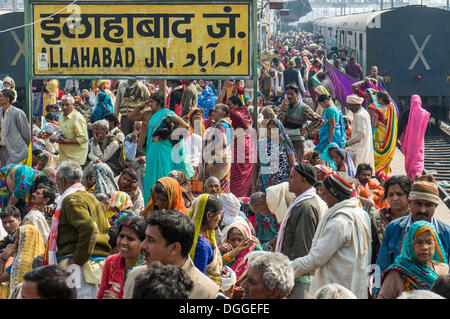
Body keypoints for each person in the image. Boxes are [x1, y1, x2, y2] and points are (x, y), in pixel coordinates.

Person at [291, 172, 372, 299]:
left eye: (324, 193)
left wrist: (287, 270)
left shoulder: (339, 222)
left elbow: (315, 259)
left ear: (335, 194)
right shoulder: (361, 214)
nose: (322, 197)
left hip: (334, 291)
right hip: (354, 286)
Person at [43, 161, 111, 299]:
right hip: (94, 265)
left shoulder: (71, 199)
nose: (57, 186)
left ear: (62, 181)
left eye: (57, 182)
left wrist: (77, 259)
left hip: (78, 267)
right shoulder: (93, 199)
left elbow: (90, 228)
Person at [123, 209, 220, 299]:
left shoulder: (207, 293)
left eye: (151, 240)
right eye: (145, 238)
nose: (142, 245)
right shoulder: (135, 276)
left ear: (174, 248)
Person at [376, 174, 450, 275]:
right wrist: (378, 290)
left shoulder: (446, 233)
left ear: (436, 206)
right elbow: (381, 267)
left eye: (428, 205)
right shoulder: (394, 228)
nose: (422, 210)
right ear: (410, 202)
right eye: (418, 203)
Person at [276, 163, 327, 299]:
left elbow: (302, 249)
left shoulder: (305, 207)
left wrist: (289, 274)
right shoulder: (301, 203)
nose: (288, 180)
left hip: (299, 278)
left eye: (292, 177)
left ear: (303, 180)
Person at [139, 93, 191, 204]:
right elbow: (131, 116)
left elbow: (184, 125)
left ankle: (165, 201)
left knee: (163, 173)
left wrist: (171, 136)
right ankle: (151, 203)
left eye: (152, 102)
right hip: (153, 148)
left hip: (163, 148)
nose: (150, 104)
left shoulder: (166, 114)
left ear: (159, 103)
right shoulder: (152, 114)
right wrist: (142, 105)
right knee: (150, 175)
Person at [377, 221, 449, 299]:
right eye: (419, 242)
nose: (424, 247)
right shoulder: (397, 273)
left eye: (429, 242)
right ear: (410, 245)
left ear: (436, 244)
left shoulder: (443, 269)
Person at [97, 215, 146, 299]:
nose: (123, 242)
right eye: (121, 236)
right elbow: (101, 296)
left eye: (130, 239)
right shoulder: (111, 262)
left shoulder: (146, 270)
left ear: (142, 243)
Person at [277, 84, 324, 162]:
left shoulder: (303, 108)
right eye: (287, 94)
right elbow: (278, 123)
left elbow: (320, 120)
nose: (289, 96)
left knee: (296, 164)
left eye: (291, 94)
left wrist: (306, 129)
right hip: (284, 140)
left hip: (297, 141)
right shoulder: (285, 106)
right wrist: (284, 110)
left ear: (297, 95)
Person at [0, 224, 45, 299]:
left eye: (19, 238)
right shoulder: (44, 258)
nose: (16, 242)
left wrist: (4, 256)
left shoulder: (20, 261)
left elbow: (1, 277)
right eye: (16, 238)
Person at [188, 194, 223, 286]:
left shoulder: (191, 237)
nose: (220, 218)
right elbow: (199, 283)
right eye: (219, 213)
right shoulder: (202, 246)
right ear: (209, 215)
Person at [253, 119, 296, 193]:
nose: (271, 132)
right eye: (269, 129)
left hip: (281, 183)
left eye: (274, 129)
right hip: (264, 183)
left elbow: (292, 164)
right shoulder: (261, 143)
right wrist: (253, 185)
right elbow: (255, 165)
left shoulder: (285, 144)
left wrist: (292, 182)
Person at [200, 104, 233, 194]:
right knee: (222, 186)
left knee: (213, 186)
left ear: (223, 113)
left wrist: (210, 152)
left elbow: (223, 142)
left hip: (217, 161)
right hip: (225, 160)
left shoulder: (220, 125)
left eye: (215, 111)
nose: (212, 113)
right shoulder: (227, 124)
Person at [49, 95, 89, 166]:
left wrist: (66, 141)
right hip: (64, 157)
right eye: (62, 105)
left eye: (67, 105)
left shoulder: (78, 118)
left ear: (73, 105)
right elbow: (61, 132)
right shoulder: (61, 116)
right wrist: (54, 137)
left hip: (76, 158)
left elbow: (83, 138)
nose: (64, 107)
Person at [220, 221, 262, 285]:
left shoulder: (255, 250)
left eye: (240, 240)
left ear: (246, 239)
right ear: (228, 240)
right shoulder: (224, 251)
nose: (236, 244)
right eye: (233, 240)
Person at [228, 96, 254, 197]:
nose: (228, 107)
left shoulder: (234, 113)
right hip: (247, 143)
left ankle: (236, 197)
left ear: (236, 105)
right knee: (242, 173)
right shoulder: (246, 112)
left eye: (230, 105)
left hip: (240, 144)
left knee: (237, 172)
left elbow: (219, 105)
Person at [400, 95, 430, 180]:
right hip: (419, 141)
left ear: (410, 102)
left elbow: (401, 127)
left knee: (409, 157)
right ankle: (417, 173)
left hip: (408, 140)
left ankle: (410, 174)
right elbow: (428, 127)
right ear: (420, 102)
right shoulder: (424, 113)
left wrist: (396, 138)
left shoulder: (406, 113)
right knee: (419, 157)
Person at [370, 91, 398, 182]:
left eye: (378, 98)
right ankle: (385, 174)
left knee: (378, 155)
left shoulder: (378, 110)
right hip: (389, 135)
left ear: (381, 99)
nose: (376, 100)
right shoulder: (392, 107)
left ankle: (380, 174)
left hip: (379, 136)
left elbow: (374, 124)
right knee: (386, 156)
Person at [0, 88, 31, 166]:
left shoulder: (17, 113)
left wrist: (20, 147)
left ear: (7, 99)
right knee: (4, 174)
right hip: (2, 149)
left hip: (14, 150)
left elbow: (26, 134)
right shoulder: (0, 112)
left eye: (0, 96)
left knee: (11, 173)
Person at [344, 95, 374, 170]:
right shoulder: (363, 112)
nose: (349, 108)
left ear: (355, 105)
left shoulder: (360, 115)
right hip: (361, 144)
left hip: (359, 146)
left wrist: (347, 143)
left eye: (350, 106)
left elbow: (360, 134)